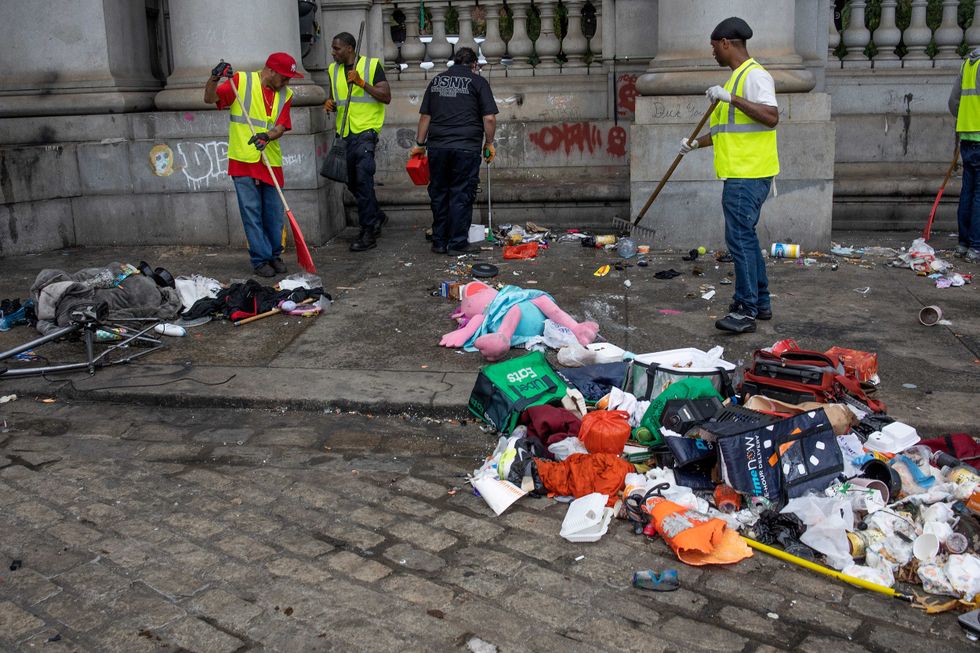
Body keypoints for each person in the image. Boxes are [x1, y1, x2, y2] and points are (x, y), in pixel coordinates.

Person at [678, 17, 779, 334]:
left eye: (713, 47)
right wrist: (696, 143)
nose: (713, 53)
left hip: (748, 174)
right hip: (742, 173)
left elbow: (771, 117)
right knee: (746, 238)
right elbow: (725, 131)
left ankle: (745, 308)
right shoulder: (736, 79)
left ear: (726, 42)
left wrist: (731, 98)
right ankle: (759, 303)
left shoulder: (754, 76)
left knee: (740, 240)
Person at [204, 53, 301, 278]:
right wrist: (214, 78)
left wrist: (267, 136)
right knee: (251, 212)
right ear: (271, 71)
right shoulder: (241, 82)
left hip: (270, 160)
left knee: (274, 213)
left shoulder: (286, 94)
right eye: (285, 77)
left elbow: (281, 127)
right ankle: (260, 259)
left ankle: (274, 254)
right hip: (243, 158)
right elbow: (210, 99)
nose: (287, 82)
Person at [410, 47, 498, 254]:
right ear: (474, 65)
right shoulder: (478, 82)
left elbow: (425, 117)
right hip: (466, 148)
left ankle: (439, 241)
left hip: (438, 147)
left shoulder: (437, 81)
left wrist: (419, 145)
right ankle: (457, 243)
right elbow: (489, 118)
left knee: (439, 193)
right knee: (461, 194)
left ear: (454, 62)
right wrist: (489, 143)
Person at [323, 32, 392, 252]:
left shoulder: (371, 66)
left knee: (363, 180)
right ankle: (376, 216)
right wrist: (330, 103)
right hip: (345, 132)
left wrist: (362, 83)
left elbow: (386, 96)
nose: (333, 52)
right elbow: (337, 96)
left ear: (350, 48)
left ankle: (368, 232)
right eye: (333, 48)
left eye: (337, 48)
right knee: (351, 180)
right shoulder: (333, 70)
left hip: (365, 131)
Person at [948, 47, 980, 263]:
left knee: (968, 191)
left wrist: (965, 120)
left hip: (967, 136)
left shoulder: (969, 63)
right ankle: (976, 246)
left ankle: (963, 243)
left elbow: (953, 101)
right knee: (978, 194)